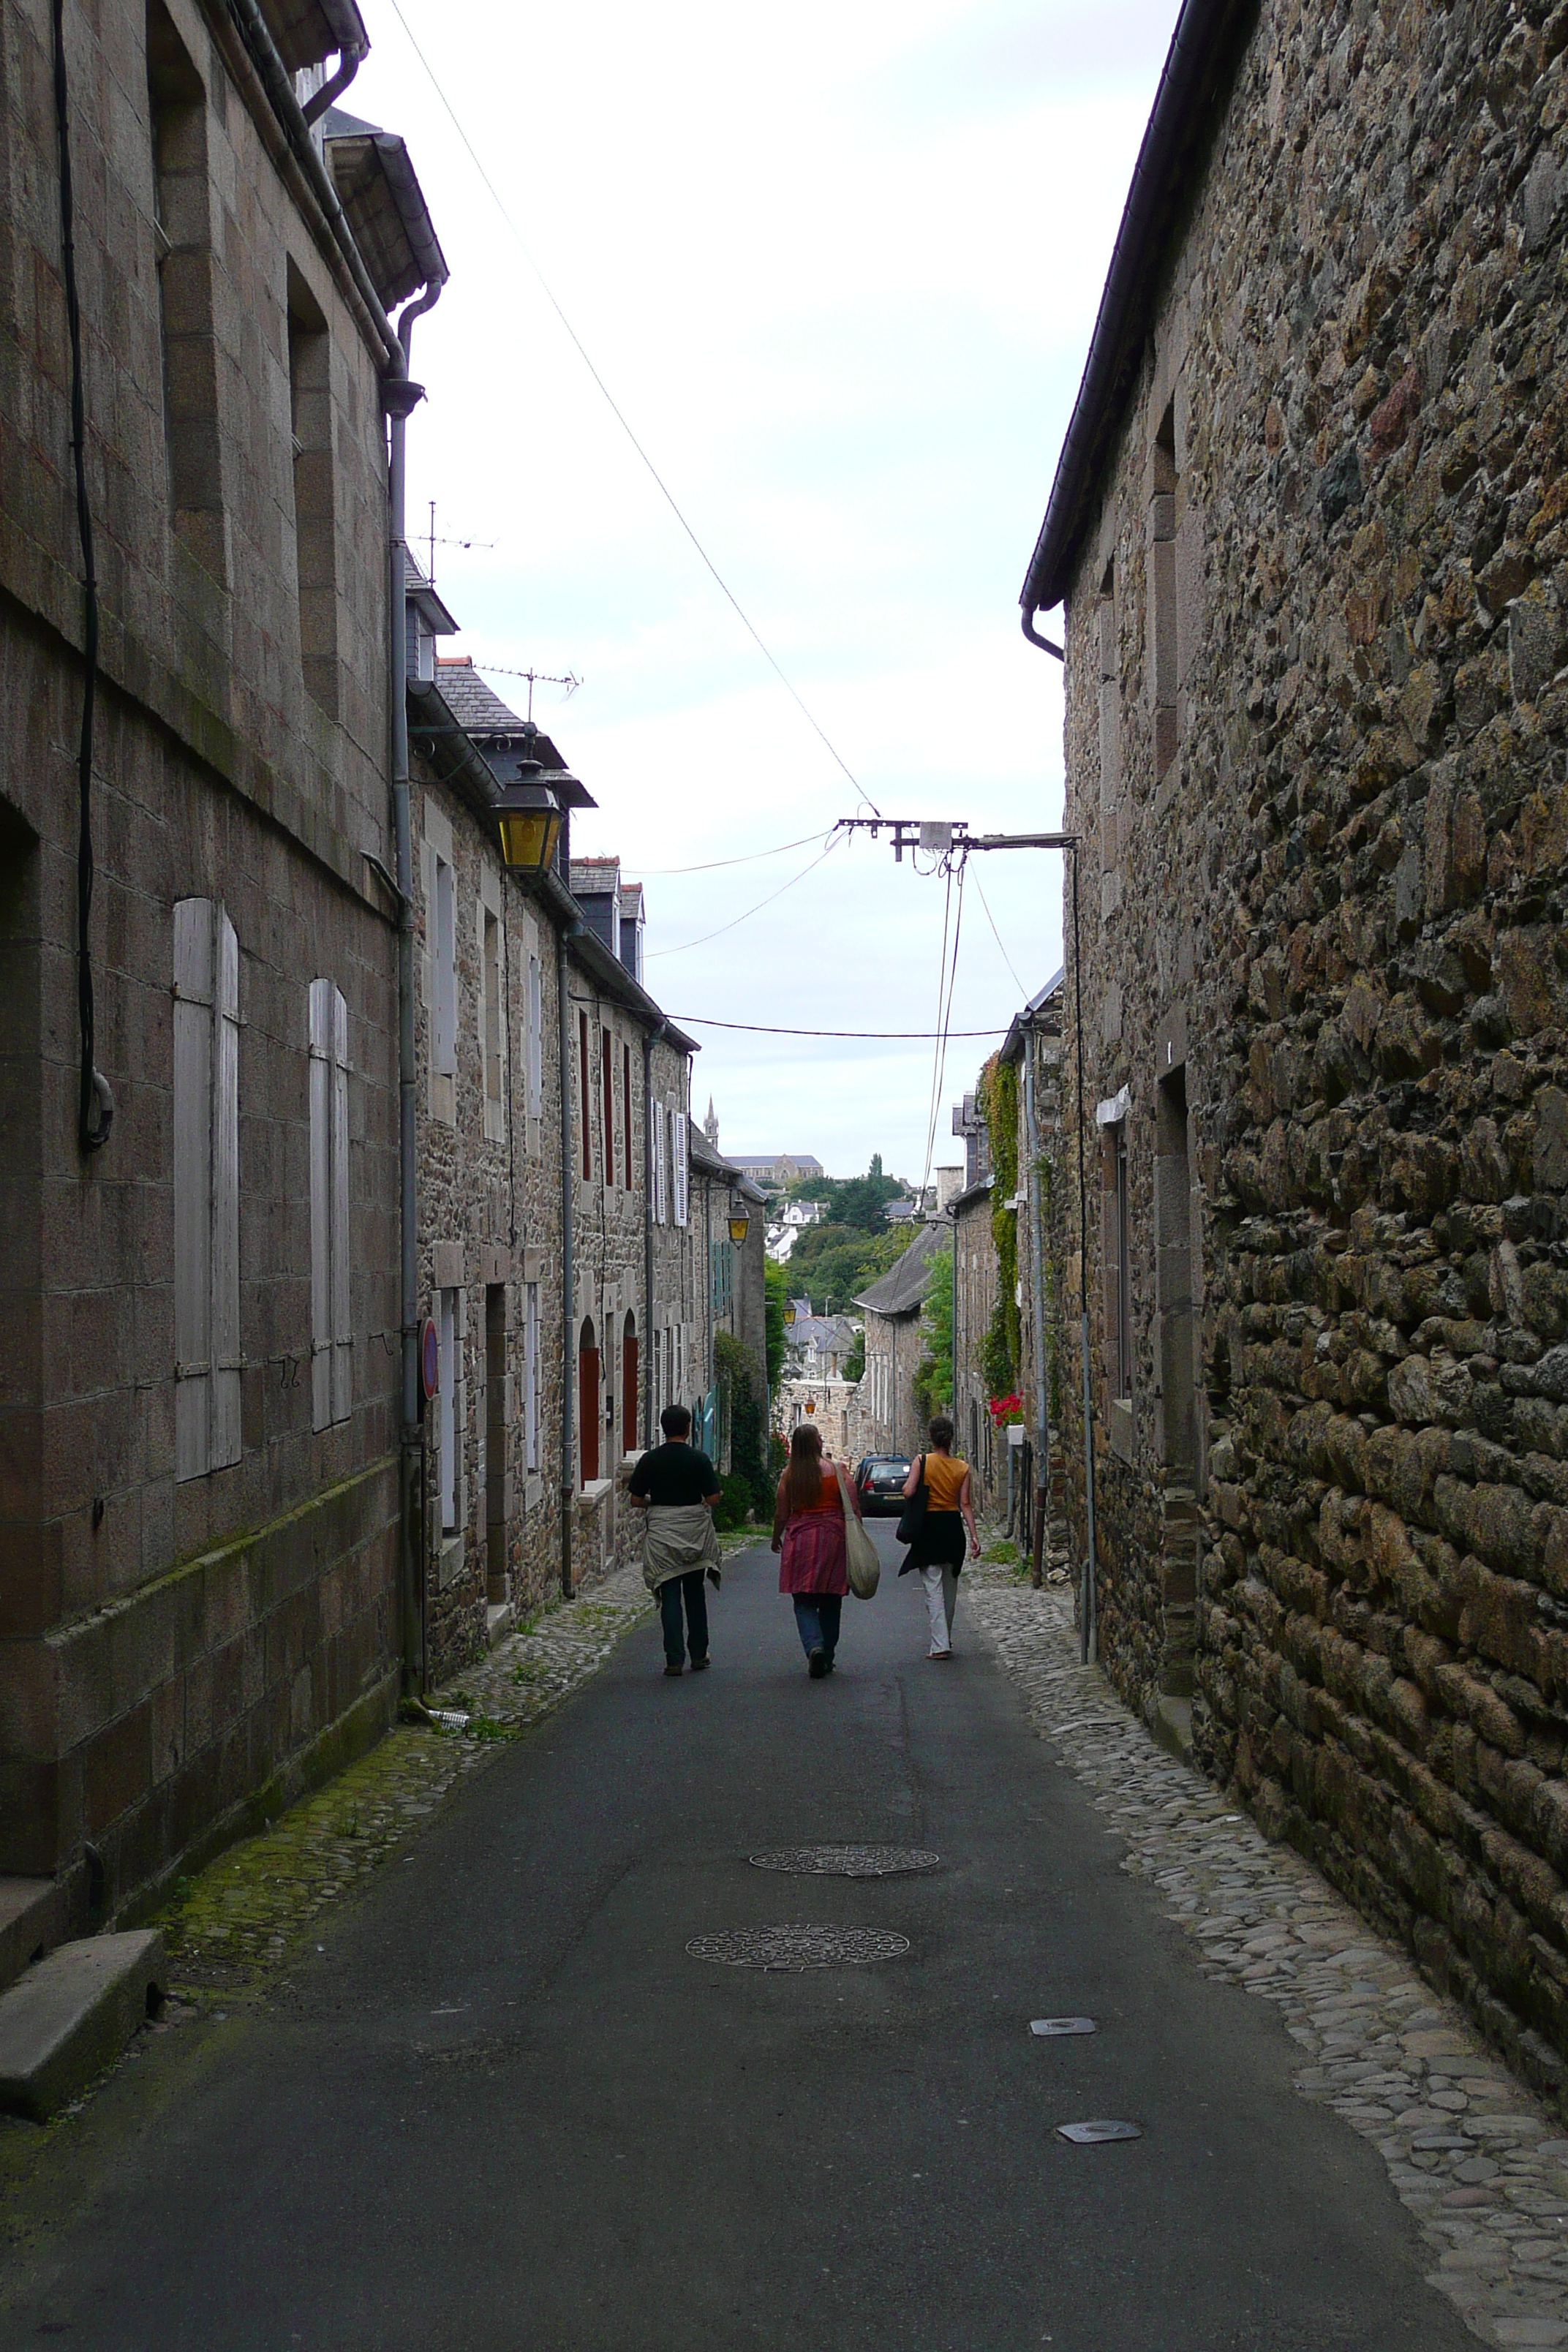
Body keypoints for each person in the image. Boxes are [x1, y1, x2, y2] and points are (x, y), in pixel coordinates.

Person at [628, 1403, 723, 1676]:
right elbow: (713, 1498)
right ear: (687, 1428)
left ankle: (674, 1658)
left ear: (663, 1428)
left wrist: (656, 1505)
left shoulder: (650, 1460)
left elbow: (635, 1499)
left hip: (663, 1536)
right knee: (694, 1594)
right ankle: (699, 1654)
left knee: (669, 1594)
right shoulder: (699, 1459)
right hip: (693, 1533)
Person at [772, 1421, 864, 1678]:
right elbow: (854, 1508)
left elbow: (781, 1513)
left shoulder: (789, 1475)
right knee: (832, 1599)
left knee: (803, 1600)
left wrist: (775, 1538)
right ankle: (828, 1654)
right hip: (833, 1537)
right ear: (817, 1443)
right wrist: (859, 1536)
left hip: (801, 1538)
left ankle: (814, 1646)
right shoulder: (838, 1470)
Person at [900, 1415, 979, 1659]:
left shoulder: (923, 1461)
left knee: (932, 1587)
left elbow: (909, 1491)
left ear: (931, 1437)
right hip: (953, 1527)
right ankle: (945, 1638)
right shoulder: (962, 1468)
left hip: (929, 1527)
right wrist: (974, 1536)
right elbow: (965, 1503)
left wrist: (909, 1489)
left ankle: (940, 1644)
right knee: (949, 1588)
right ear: (951, 1438)